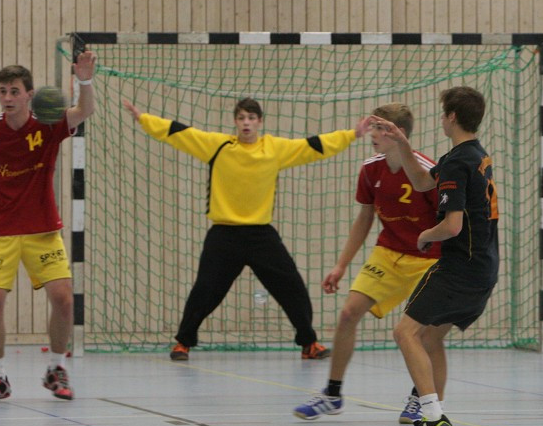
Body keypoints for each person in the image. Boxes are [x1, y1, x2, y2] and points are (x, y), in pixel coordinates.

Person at [123, 97, 372, 362]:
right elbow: (181, 133)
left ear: (259, 122)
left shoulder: (274, 148)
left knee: (292, 287)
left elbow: (314, 145)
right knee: (206, 290)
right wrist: (144, 119)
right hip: (224, 234)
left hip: (261, 235)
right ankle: (183, 343)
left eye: (251, 118)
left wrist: (353, 134)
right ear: (235, 121)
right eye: (241, 118)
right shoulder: (217, 146)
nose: (246, 123)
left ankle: (309, 343)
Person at [0, 52, 97, 403]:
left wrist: (84, 80)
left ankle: (56, 368)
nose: (7, 98)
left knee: (64, 299)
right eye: (2, 91)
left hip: (42, 230)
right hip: (1, 232)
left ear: (29, 94)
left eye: (14, 91)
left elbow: (83, 112)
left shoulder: (49, 124)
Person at [293, 103, 440, 423]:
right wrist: (341, 265)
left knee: (421, 332)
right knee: (348, 313)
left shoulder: (427, 171)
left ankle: (420, 398)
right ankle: (332, 394)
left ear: (397, 134)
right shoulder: (370, 169)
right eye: (372, 127)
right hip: (387, 254)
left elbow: (448, 219)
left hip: (427, 257)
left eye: (380, 128)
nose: (372, 134)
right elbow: (364, 218)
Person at [371, 87, 498, 426]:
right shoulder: (471, 154)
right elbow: (424, 181)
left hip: (462, 267)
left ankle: (431, 418)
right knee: (428, 337)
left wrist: (426, 235)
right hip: (483, 268)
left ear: (452, 117)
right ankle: (430, 416)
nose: (441, 118)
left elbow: (453, 225)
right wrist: (402, 143)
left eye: (443, 113)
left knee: (404, 333)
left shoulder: (459, 162)